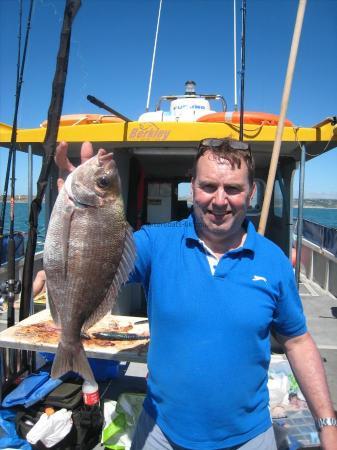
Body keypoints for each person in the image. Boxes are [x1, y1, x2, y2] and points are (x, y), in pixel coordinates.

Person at [54, 139, 337, 450]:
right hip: (161, 432)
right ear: (192, 187)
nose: (219, 200)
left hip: (251, 437)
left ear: (252, 193)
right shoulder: (155, 242)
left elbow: (297, 341)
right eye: (208, 186)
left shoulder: (273, 261)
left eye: (232, 189)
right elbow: (98, 266)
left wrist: (327, 425)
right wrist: (81, 219)